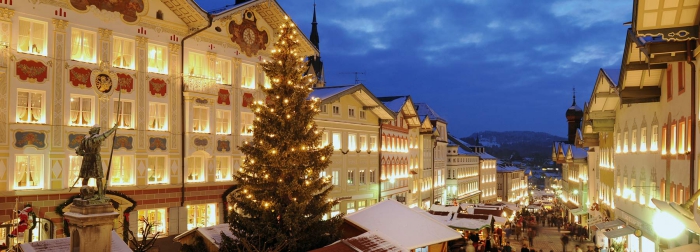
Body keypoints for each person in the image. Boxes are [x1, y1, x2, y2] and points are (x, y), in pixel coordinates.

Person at [75, 124, 118, 200]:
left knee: (85, 178)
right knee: (99, 178)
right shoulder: (95, 138)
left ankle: (83, 193)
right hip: (95, 158)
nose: (99, 132)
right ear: (96, 131)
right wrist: (113, 129)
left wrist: (85, 154)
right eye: (98, 130)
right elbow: (105, 135)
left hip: (86, 159)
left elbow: (78, 151)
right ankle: (100, 195)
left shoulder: (85, 139)